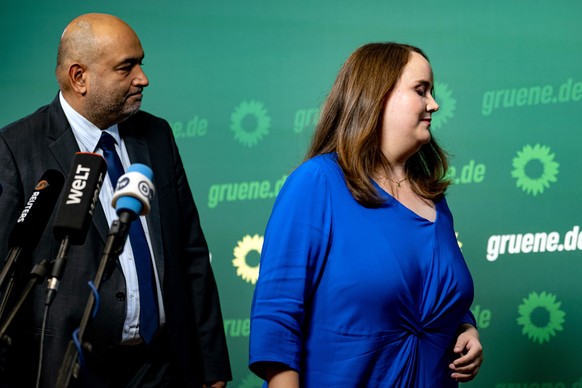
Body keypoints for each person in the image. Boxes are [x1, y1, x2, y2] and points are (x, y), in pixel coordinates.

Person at [0, 13, 231, 387]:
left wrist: (211, 365)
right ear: (80, 78)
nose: (143, 78)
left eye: (141, 63)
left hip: (162, 367)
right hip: (68, 369)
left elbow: (190, 254)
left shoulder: (156, 135)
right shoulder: (15, 149)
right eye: (127, 68)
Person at [248, 42, 483, 387]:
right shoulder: (318, 182)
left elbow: (435, 294)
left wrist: (466, 328)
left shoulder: (435, 199)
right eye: (421, 91)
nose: (434, 104)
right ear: (379, 95)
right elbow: (277, 319)